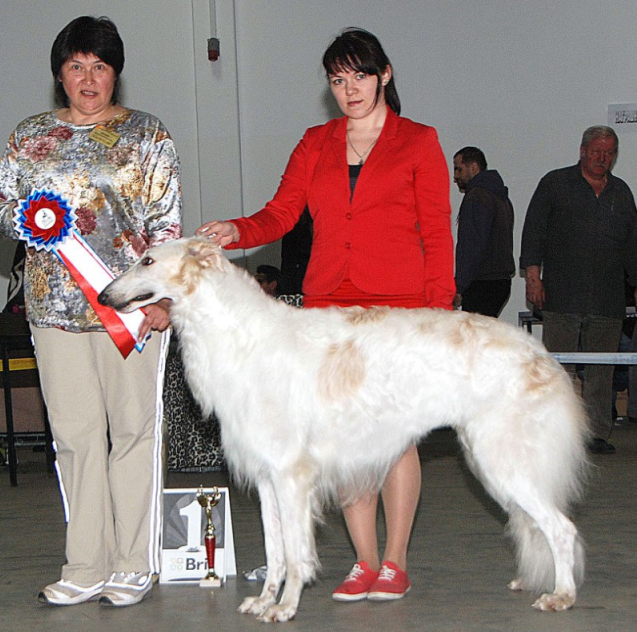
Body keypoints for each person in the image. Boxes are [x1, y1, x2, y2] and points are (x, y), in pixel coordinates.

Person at [197, 28, 454, 601]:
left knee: (395, 436)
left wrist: (437, 315)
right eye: (337, 80)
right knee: (340, 438)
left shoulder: (419, 140)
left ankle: (395, 561)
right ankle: (362, 561)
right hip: (328, 309)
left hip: (398, 310)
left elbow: (437, 231)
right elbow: (282, 213)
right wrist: (238, 230)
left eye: (359, 75)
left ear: (384, 74)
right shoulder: (315, 142)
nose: (349, 89)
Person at [0, 16, 182, 606]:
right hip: (53, 309)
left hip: (131, 312)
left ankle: (133, 562)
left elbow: (166, 224)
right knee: (74, 439)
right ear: (60, 75)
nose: (88, 78)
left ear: (115, 73)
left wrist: (164, 297)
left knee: (132, 433)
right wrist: (25, 219)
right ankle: (85, 563)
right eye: (76, 66)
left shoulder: (148, 135)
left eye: (99, 66)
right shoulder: (30, 136)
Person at [520, 125, 637, 455]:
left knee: (602, 370)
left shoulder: (622, 192)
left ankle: (597, 433)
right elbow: (534, 232)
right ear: (583, 151)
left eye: (609, 153)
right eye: (597, 151)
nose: (603, 158)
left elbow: (632, 244)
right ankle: (553, 434)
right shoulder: (555, 184)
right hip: (561, 295)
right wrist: (533, 276)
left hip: (608, 299)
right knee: (558, 369)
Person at [452, 147, 514, 316]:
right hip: (500, 280)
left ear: (473, 168)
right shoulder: (500, 196)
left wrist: (459, 285)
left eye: (459, 169)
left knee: (474, 339)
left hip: (481, 282)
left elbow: (472, 246)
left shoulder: (476, 197)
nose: (455, 176)